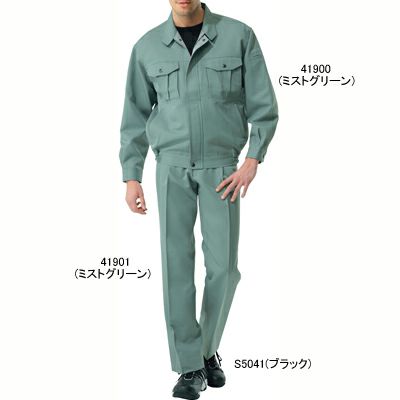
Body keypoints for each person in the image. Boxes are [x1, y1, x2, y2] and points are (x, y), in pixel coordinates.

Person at [119, 1, 279, 398]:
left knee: (224, 269)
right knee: (176, 269)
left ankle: (205, 350)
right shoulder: (147, 47)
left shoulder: (239, 36)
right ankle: (190, 367)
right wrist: (132, 175)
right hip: (170, 169)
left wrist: (253, 159)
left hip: (222, 171)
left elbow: (264, 106)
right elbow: (134, 116)